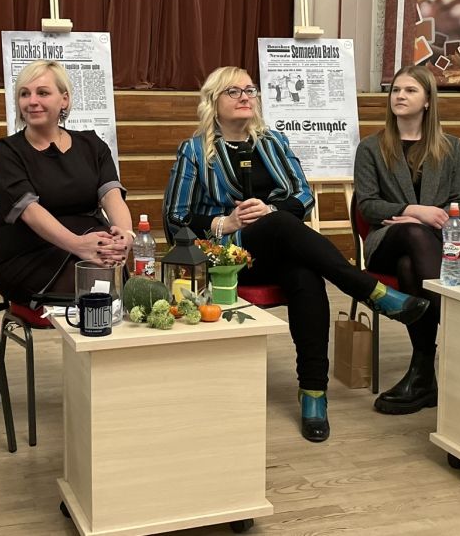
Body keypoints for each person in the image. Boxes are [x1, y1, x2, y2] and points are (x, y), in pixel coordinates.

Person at [164, 66, 429, 443]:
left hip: (278, 247)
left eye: (250, 90)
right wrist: (226, 221)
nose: (245, 97)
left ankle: (313, 392)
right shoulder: (193, 151)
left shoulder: (273, 142)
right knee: (281, 226)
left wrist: (270, 210)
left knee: (304, 273)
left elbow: (304, 196)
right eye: (233, 92)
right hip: (226, 258)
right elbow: (175, 219)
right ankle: (368, 289)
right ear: (213, 102)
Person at [353, 65, 460, 415]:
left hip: (434, 245)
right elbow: (368, 205)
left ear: (427, 101)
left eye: (409, 90)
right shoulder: (371, 148)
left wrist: (427, 220)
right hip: (386, 243)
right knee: (410, 232)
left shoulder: (452, 147)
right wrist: (415, 211)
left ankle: (422, 374)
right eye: (396, 90)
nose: (400, 96)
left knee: (410, 267)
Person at [0, 60, 133, 304]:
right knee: (93, 276)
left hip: (93, 245)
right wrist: (78, 245)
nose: (32, 101)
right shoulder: (6, 152)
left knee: (102, 258)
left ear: (64, 100)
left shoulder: (92, 145)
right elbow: (29, 212)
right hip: (31, 256)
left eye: (42, 93)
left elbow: (111, 196)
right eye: (24, 94)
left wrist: (125, 236)